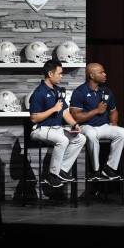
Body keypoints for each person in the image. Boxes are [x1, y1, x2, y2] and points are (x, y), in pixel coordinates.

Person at [29, 59, 86, 188]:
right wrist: (53, 109)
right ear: (50, 74)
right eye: (59, 73)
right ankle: (52, 175)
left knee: (81, 139)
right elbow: (34, 118)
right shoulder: (39, 93)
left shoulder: (58, 90)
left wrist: (75, 124)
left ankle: (62, 170)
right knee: (63, 140)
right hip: (40, 129)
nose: (62, 76)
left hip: (56, 129)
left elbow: (65, 112)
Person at [70, 63, 124, 180]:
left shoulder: (106, 91)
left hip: (103, 126)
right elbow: (76, 117)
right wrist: (97, 110)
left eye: (104, 72)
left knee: (122, 132)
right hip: (86, 126)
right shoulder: (80, 91)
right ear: (91, 75)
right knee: (91, 134)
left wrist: (114, 123)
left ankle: (109, 168)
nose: (105, 74)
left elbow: (113, 111)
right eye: (101, 72)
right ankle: (95, 170)